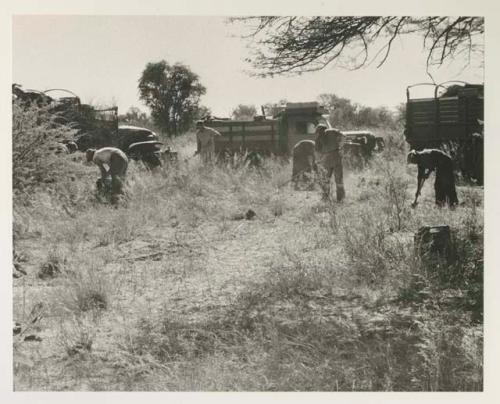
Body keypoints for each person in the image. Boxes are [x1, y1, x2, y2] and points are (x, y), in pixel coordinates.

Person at [314, 124, 345, 201]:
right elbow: (344, 136)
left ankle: (326, 198)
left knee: (326, 179)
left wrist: (318, 160)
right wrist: (340, 147)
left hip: (326, 159)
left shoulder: (318, 138)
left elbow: (317, 152)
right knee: (338, 179)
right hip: (336, 156)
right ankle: (340, 198)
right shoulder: (332, 131)